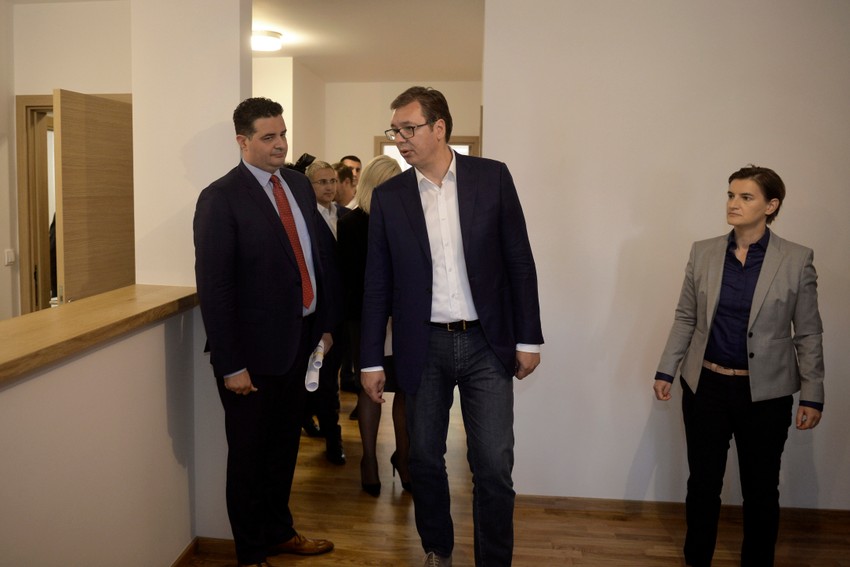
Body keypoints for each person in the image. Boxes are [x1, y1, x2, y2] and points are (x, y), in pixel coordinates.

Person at [359, 86, 544, 567]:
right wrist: (371, 360)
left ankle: (493, 561)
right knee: (423, 458)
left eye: (409, 128)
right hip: (422, 346)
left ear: (439, 128)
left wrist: (528, 338)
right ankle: (438, 550)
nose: (400, 139)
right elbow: (377, 284)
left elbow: (519, 261)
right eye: (394, 131)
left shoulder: (492, 178)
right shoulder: (389, 197)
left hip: (487, 343)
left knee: (494, 464)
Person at [653, 165, 825, 567]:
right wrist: (666, 369)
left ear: (771, 206)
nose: (733, 203)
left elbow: (808, 332)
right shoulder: (703, 252)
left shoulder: (796, 259)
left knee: (761, 490)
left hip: (766, 394)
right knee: (702, 484)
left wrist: (812, 394)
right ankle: (697, 560)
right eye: (731, 195)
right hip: (706, 387)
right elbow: (686, 317)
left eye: (746, 197)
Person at [194, 97, 338, 566]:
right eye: (268, 137)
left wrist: (324, 325)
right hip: (250, 359)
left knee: (283, 450)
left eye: (283, 134)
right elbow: (215, 288)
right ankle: (251, 552)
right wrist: (231, 364)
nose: (280, 144)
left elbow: (317, 258)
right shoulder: (220, 198)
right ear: (243, 141)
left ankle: (279, 532)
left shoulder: (297, 184)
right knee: (249, 457)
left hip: (300, 344)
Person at [337, 155, 409, 497]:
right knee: (370, 388)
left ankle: (404, 456)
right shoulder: (351, 224)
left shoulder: (407, 220)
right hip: (365, 319)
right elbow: (349, 281)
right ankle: (369, 460)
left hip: (404, 318)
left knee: (406, 387)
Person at [304, 159, 348, 464]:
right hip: (320, 314)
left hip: (343, 310)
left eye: (332, 180)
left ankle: (317, 423)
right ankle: (333, 439)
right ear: (309, 186)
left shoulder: (344, 215)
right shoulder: (306, 220)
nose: (330, 186)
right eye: (322, 182)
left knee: (332, 377)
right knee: (325, 380)